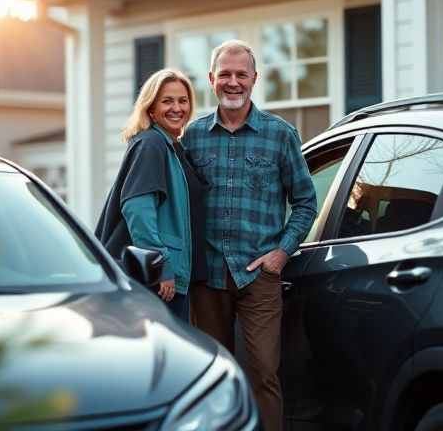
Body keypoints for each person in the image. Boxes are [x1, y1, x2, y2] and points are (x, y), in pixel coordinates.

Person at [182, 40, 317, 431]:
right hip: (207, 274)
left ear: (255, 79)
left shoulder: (280, 135)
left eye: (241, 74)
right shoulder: (192, 137)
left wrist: (281, 253)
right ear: (211, 79)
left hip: (259, 275)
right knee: (213, 374)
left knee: (262, 373)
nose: (233, 82)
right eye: (225, 74)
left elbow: (306, 202)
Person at [95, 68, 208, 322]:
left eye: (183, 100)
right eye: (167, 101)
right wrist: (161, 266)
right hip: (157, 281)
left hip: (171, 278)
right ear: (151, 108)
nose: (177, 108)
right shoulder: (151, 144)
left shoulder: (172, 147)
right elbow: (138, 209)